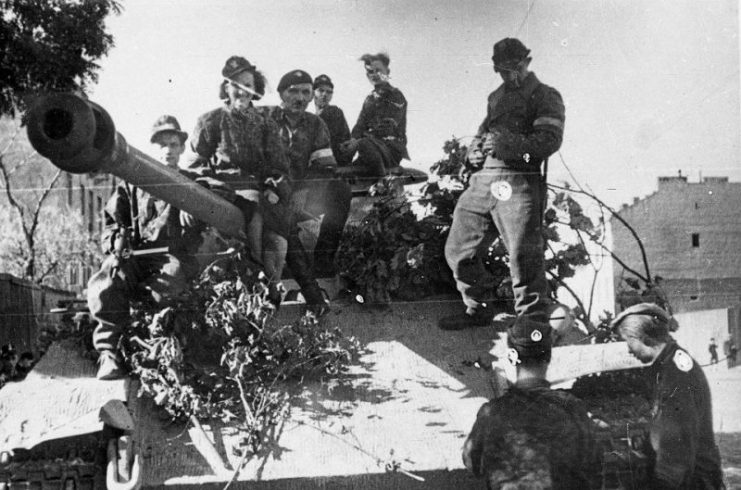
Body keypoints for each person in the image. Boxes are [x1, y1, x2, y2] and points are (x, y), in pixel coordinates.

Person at [439, 38, 566, 375]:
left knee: (523, 257)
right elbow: (482, 134)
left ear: (526, 61)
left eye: (516, 67)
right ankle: (477, 307)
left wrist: (507, 144)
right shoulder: (495, 97)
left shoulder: (545, 95)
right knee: (458, 249)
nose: (510, 74)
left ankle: (533, 330)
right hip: (486, 179)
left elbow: (548, 142)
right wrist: (474, 153)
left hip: (520, 178)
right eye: (503, 69)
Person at [87, 115, 204, 380]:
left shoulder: (193, 183)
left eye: (174, 144)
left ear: (182, 148)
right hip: (136, 254)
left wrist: (196, 207)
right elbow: (111, 222)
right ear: (153, 148)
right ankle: (108, 353)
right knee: (108, 278)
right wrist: (115, 240)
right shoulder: (132, 184)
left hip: (171, 255)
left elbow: (218, 201)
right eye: (162, 145)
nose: (168, 150)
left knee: (170, 285)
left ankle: (161, 349)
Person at [187, 56, 292, 302]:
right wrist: (207, 182)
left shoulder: (266, 123)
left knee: (278, 236)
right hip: (222, 187)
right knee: (252, 206)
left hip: (260, 186)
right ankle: (257, 267)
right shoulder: (210, 121)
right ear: (226, 88)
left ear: (255, 89)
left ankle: (272, 284)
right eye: (236, 84)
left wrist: (273, 187)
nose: (242, 91)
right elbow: (195, 164)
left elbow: (279, 165)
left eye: (248, 84)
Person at [258, 69, 353, 313]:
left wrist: (304, 191)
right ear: (280, 93)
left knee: (340, 191)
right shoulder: (263, 118)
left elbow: (326, 165)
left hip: (301, 195)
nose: (299, 98)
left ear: (311, 97)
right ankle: (309, 291)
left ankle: (323, 258)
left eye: (305, 92)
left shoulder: (316, 124)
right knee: (279, 213)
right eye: (293, 91)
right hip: (268, 193)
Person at [611, 302, 723, 489]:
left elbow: (675, 451)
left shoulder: (676, 375)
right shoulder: (667, 365)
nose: (629, 350)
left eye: (628, 341)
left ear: (642, 337)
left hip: (692, 483)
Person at [462, 334, 594, 489]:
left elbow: (473, 463)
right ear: (549, 358)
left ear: (512, 356)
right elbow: (593, 462)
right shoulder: (572, 406)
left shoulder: (492, 411)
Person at [338, 52, 409, 183]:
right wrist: (352, 140)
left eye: (378, 70)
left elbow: (387, 126)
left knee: (363, 144)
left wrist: (358, 142)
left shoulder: (396, 95)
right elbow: (360, 125)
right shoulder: (369, 99)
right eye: (371, 72)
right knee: (347, 168)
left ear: (387, 72)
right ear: (367, 75)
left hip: (391, 148)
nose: (374, 74)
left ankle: (383, 182)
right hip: (370, 149)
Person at [313, 74, 352, 167]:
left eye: (329, 92)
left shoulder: (335, 112)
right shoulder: (310, 117)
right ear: (312, 92)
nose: (325, 94)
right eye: (321, 90)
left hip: (333, 161)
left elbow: (344, 142)